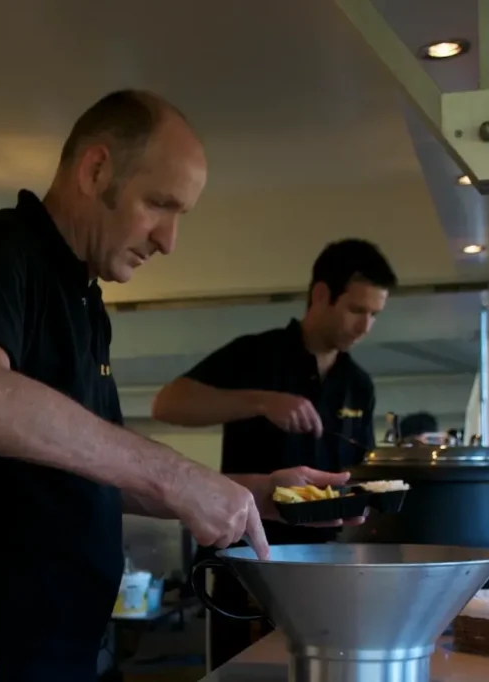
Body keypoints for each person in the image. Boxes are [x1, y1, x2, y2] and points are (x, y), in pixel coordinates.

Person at [0, 89, 353, 682]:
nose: (169, 240)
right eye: (159, 204)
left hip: (74, 648)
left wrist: (252, 494)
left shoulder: (87, 303)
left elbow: (102, 469)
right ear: (96, 170)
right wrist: (177, 478)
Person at [152, 238, 398, 669]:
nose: (365, 326)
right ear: (321, 294)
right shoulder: (256, 354)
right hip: (249, 562)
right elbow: (168, 404)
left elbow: (358, 471)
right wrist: (260, 401)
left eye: (375, 315)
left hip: (326, 569)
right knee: (245, 672)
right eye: (357, 310)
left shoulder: (359, 384)